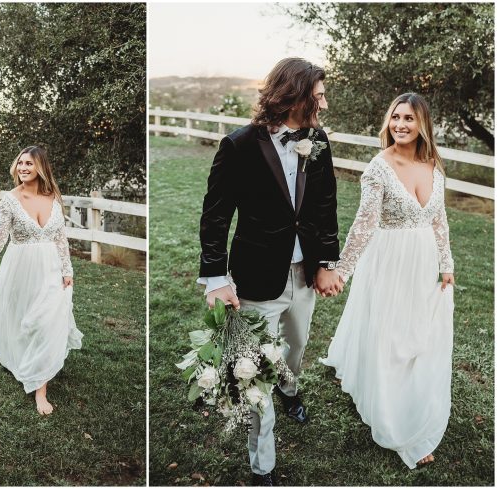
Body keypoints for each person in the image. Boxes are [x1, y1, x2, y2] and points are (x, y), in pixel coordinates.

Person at [197, 58, 341, 486]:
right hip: (257, 280)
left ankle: (291, 388)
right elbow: (215, 218)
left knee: (292, 355)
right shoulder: (239, 145)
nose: (324, 104)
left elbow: (324, 206)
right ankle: (264, 466)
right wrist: (216, 278)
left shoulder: (317, 140)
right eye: (318, 96)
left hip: (305, 275)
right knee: (255, 371)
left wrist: (327, 263)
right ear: (293, 95)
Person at [321, 93, 454, 469]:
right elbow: (363, 225)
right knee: (390, 335)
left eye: (409, 119)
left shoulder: (434, 167)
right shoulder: (378, 167)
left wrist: (447, 262)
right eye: (395, 117)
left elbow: (439, 221)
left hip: (424, 261)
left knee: (419, 335)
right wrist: (342, 270)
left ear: (422, 124)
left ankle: (412, 394)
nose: (400, 125)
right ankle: (396, 421)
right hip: (390, 262)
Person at [0, 146, 81, 415]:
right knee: (24, 318)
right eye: (20, 163)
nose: (23, 168)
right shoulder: (10, 199)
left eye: (29, 164)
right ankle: (23, 355)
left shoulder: (54, 197)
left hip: (51, 269)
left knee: (46, 322)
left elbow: (60, 237)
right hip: (20, 267)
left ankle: (40, 389)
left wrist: (67, 269)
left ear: (40, 168)